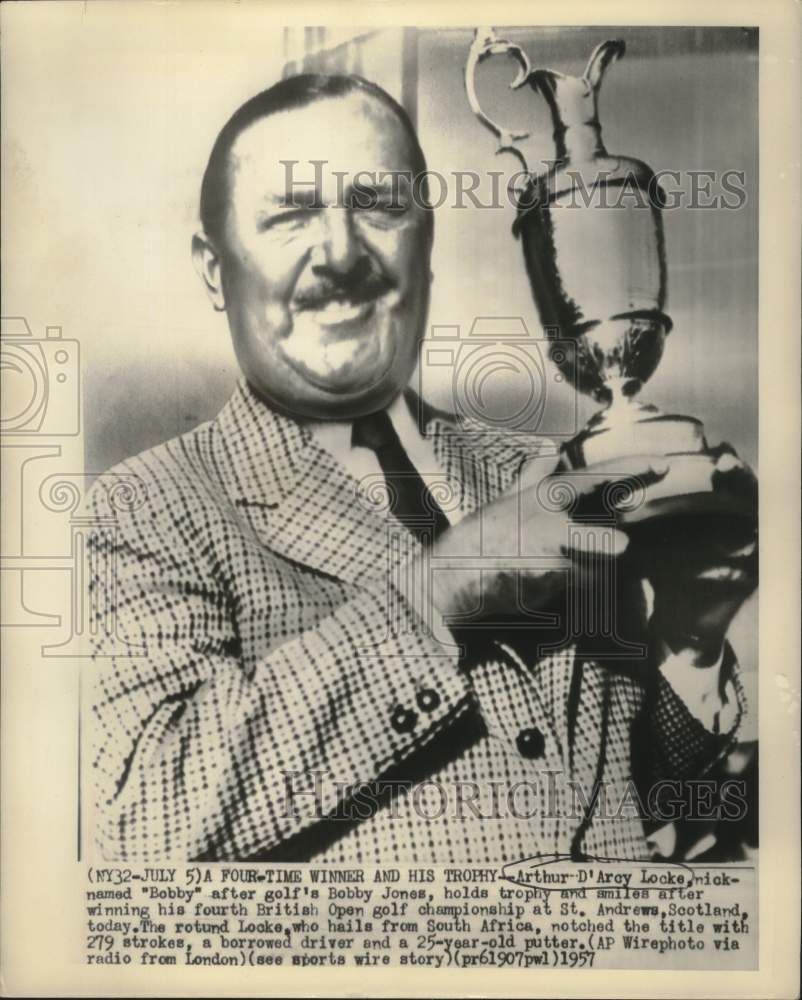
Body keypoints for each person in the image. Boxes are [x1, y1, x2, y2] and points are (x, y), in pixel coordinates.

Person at [88, 73, 757, 863]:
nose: (340, 254)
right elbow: (144, 824)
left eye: (379, 206)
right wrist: (445, 589)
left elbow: (660, 806)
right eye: (292, 213)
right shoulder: (144, 507)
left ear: (426, 247)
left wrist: (692, 637)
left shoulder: (540, 470)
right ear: (213, 268)